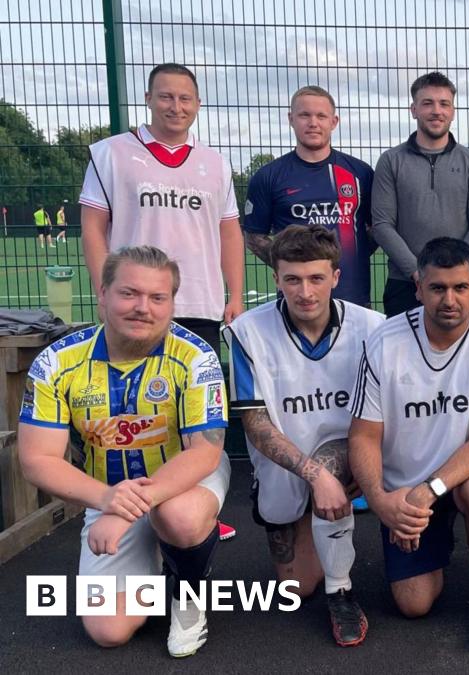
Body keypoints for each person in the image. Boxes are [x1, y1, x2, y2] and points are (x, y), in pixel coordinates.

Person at [17, 245, 231, 657]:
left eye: (157, 297)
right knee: (108, 630)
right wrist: (106, 500)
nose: (142, 308)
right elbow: (37, 460)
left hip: (182, 483)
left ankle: (189, 591)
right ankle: (159, 556)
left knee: (179, 516)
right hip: (108, 491)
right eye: (129, 293)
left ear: (172, 304)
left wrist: (123, 511)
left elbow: (204, 453)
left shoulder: (196, 356)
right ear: (102, 293)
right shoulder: (56, 362)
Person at [349, 237, 469, 652]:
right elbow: (364, 435)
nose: (450, 300)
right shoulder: (383, 341)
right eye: (437, 288)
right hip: (406, 485)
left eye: (460, 287)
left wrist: (429, 492)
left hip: (464, 471)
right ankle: (436, 532)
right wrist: (382, 502)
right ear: (418, 287)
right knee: (414, 605)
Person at [226, 225, 384, 646]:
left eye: (316, 278)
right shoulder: (247, 332)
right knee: (296, 588)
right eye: (292, 279)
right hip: (285, 459)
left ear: (336, 276)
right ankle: (304, 514)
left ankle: (341, 591)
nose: (305, 291)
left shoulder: (373, 328)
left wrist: (342, 470)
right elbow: (255, 424)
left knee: (331, 463)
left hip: (347, 449)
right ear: (276, 279)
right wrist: (313, 475)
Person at [79, 62, 245, 354]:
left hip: (200, 304)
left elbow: (229, 232)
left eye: (185, 99)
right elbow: (93, 228)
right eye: (166, 97)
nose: (176, 107)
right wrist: (103, 292)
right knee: (131, 383)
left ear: (198, 104)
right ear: (148, 98)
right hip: (135, 304)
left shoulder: (217, 163)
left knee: (195, 384)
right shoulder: (109, 153)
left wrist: (236, 296)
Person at [372, 71, 469, 317]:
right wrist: (419, 273)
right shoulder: (391, 161)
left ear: (453, 111)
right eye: (427, 103)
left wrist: (453, 272)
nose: (437, 111)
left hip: (458, 285)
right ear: (414, 110)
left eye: (444, 104)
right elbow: (382, 224)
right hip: (405, 282)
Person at [243, 86, 375, 309]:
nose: (313, 123)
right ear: (291, 119)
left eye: (321, 116)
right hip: (297, 302)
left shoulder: (360, 173)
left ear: (334, 122)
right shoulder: (268, 176)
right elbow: (254, 237)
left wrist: (343, 257)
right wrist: (291, 264)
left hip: (353, 297)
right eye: (305, 115)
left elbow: (376, 228)